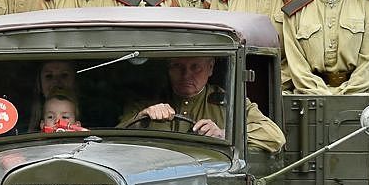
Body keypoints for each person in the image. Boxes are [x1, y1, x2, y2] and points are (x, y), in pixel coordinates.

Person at [120, 56, 285, 152]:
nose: (186, 75)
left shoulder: (229, 102)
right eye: (177, 66)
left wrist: (224, 134)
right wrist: (143, 117)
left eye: (195, 67)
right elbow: (114, 141)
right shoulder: (147, 102)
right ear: (168, 69)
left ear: (210, 68)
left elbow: (274, 136)